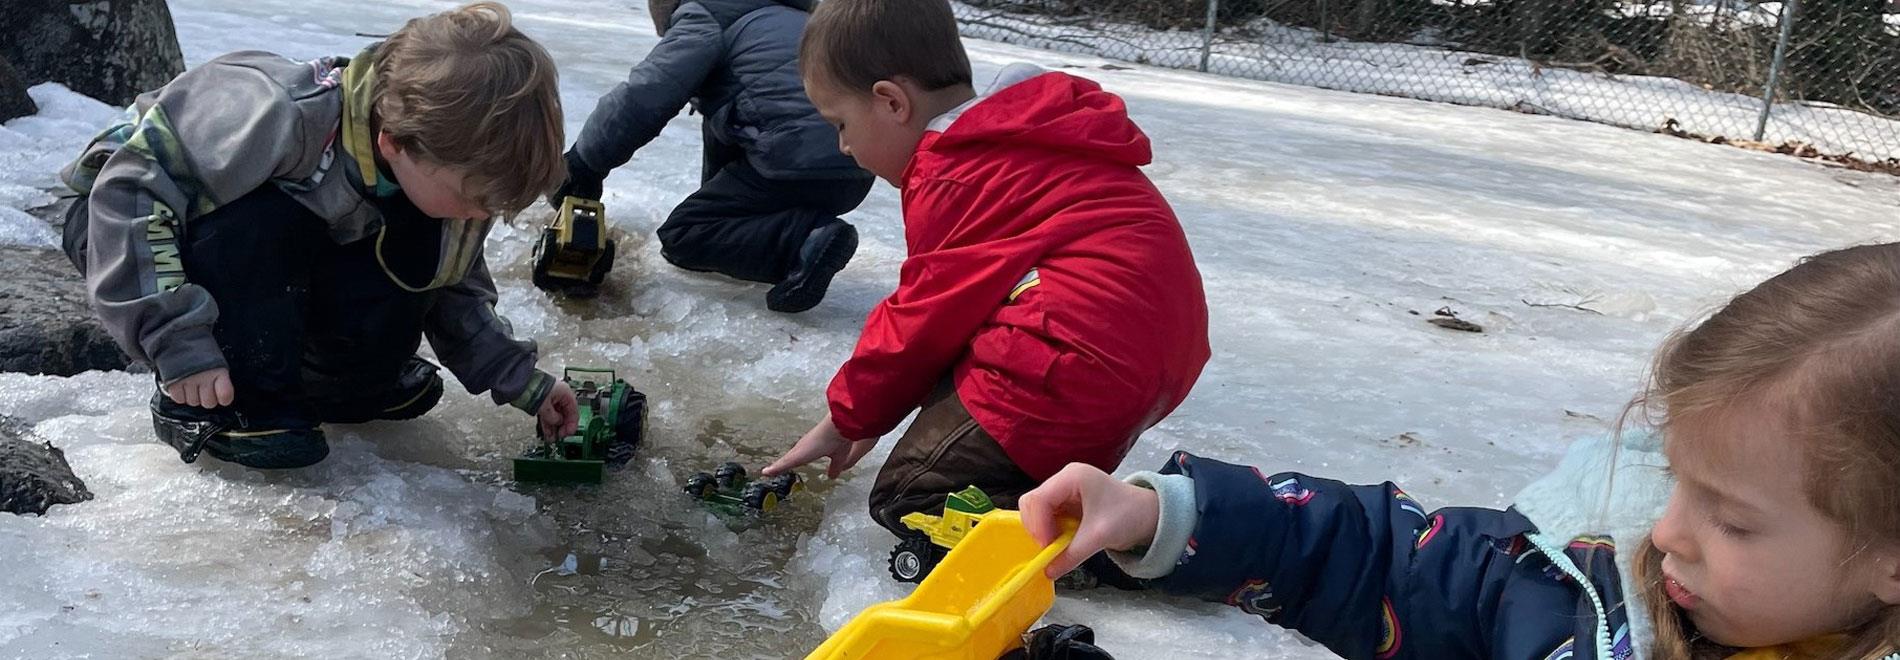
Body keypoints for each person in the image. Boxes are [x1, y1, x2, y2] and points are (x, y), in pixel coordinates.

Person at [1021, 243, 1900, 658]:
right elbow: (1385, 562)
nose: (1668, 529)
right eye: (1679, 478)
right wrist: (1165, 515)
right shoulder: (1584, 586)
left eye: (1735, 523)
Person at [763, 0, 1210, 555]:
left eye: (842, 124)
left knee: (914, 495)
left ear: (891, 102)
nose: (845, 146)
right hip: (1147, 349)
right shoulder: (1017, 137)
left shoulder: (956, 171)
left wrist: (849, 416)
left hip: (1079, 356)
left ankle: (1104, 544)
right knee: (981, 437)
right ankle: (1055, 499)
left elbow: (922, 315)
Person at [59, 2, 580, 469]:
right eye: (471, 197)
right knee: (266, 219)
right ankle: (231, 401)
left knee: (422, 232)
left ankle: (336, 385)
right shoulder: (281, 116)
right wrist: (177, 343)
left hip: (280, 237)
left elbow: (450, 279)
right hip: (132, 226)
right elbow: (127, 193)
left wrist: (523, 381)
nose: (478, 214)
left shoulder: (437, 175)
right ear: (393, 141)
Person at [555, 0, 872, 313]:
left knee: (684, 235)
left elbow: (644, 97)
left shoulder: (707, 16)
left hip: (793, 159)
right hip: (856, 164)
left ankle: (799, 241)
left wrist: (585, 163)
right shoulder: (790, 19)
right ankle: (793, 231)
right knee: (737, 109)